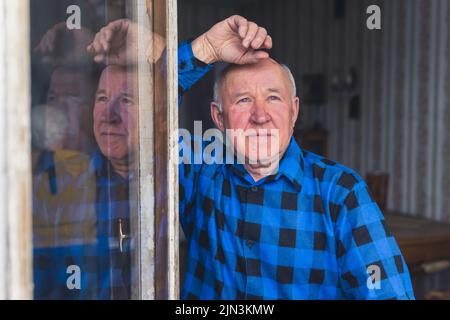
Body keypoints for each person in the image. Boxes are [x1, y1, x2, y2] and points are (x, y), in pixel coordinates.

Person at [87, 15, 414, 300]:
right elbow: (142, 128)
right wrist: (206, 50)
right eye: (243, 101)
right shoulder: (200, 173)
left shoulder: (340, 192)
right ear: (218, 118)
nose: (260, 116)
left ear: (294, 111)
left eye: (273, 98)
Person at [33, 15, 271, 299]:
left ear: (154, 115)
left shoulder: (184, 180)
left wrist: (203, 48)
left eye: (128, 100)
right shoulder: (64, 184)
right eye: (102, 99)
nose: (110, 115)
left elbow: (169, 96)